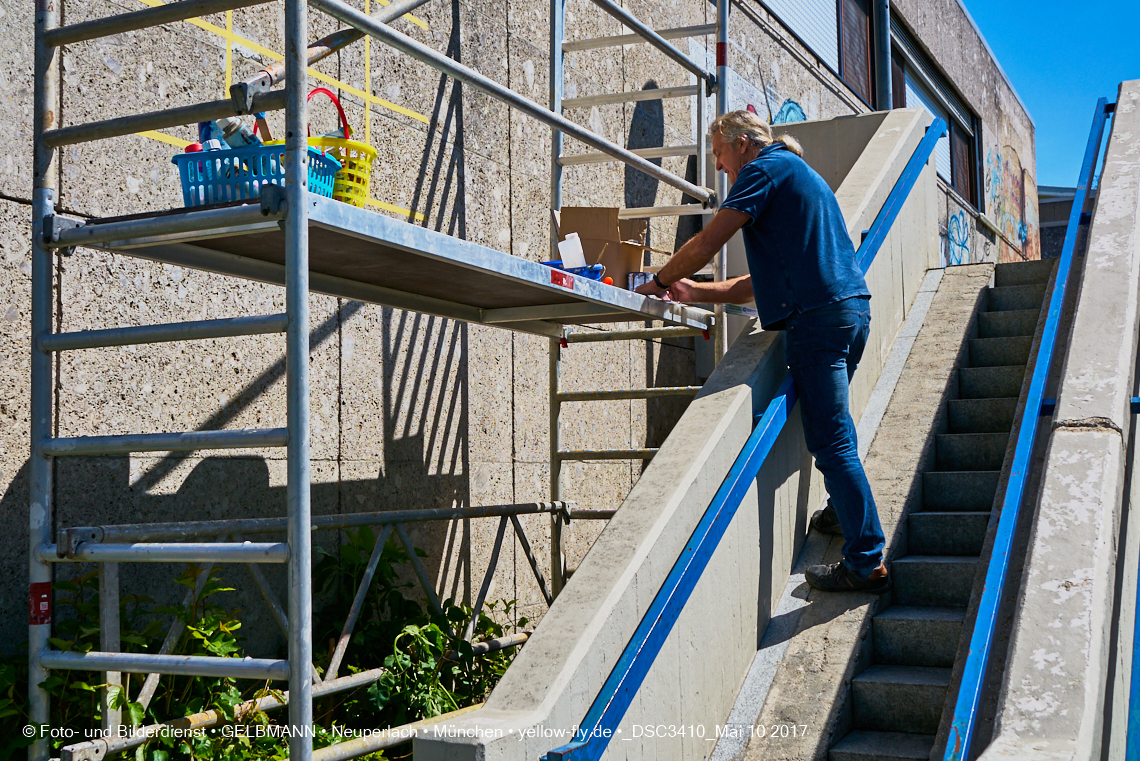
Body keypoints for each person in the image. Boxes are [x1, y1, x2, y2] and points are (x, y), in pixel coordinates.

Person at [634, 110, 888, 594]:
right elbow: (760, 282)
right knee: (835, 430)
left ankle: (865, 559)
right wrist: (700, 293)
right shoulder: (796, 175)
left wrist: (661, 280)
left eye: (719, 155)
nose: (721, 167)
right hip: (850, 312)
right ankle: (844, 511)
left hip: (817, 320)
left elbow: (709, 241)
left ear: (743, 144)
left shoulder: (762, 170)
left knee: (831, 441)